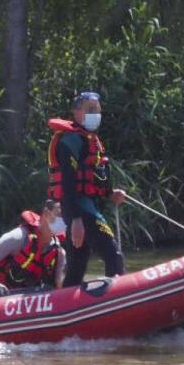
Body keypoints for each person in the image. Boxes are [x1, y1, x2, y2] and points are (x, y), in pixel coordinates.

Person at [47, 91, 127, 287]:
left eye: (98, 110)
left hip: (83, 206)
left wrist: (110, 193)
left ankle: (66, 306)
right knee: (113, 254)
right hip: (77, 209)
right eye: (90, 109)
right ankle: (116, 304)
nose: (96, 114)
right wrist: (75, 219)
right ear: (76, 112)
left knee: (77, 264)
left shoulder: (90, 139)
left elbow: (93, 178)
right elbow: (68, 183)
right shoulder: (71, 140)